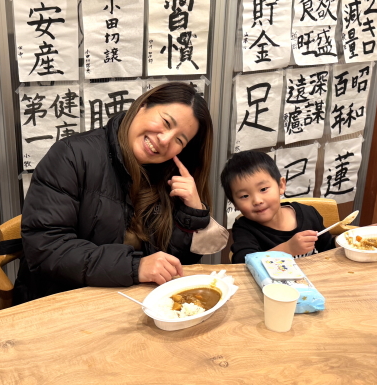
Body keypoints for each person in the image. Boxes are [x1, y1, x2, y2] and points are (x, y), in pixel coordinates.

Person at [17, 82, 228, 303]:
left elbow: (173, 267)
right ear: (142, 106)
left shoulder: (167, 177)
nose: (165, 140)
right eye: (165, 122)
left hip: (131, 305)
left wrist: (192, 213)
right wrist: (135, 266)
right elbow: (47, 249)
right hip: (59, 305)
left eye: (179, 140)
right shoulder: (72, 155)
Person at [222, 150, 377, 264]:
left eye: (263, 189)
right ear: (235, 203)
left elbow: (328, 248)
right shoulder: (245, 228)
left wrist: (360, 236)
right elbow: (242, 262)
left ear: (281, 185)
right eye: (244, 196)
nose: (257, 200)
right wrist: (287, 249)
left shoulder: (308, 214)